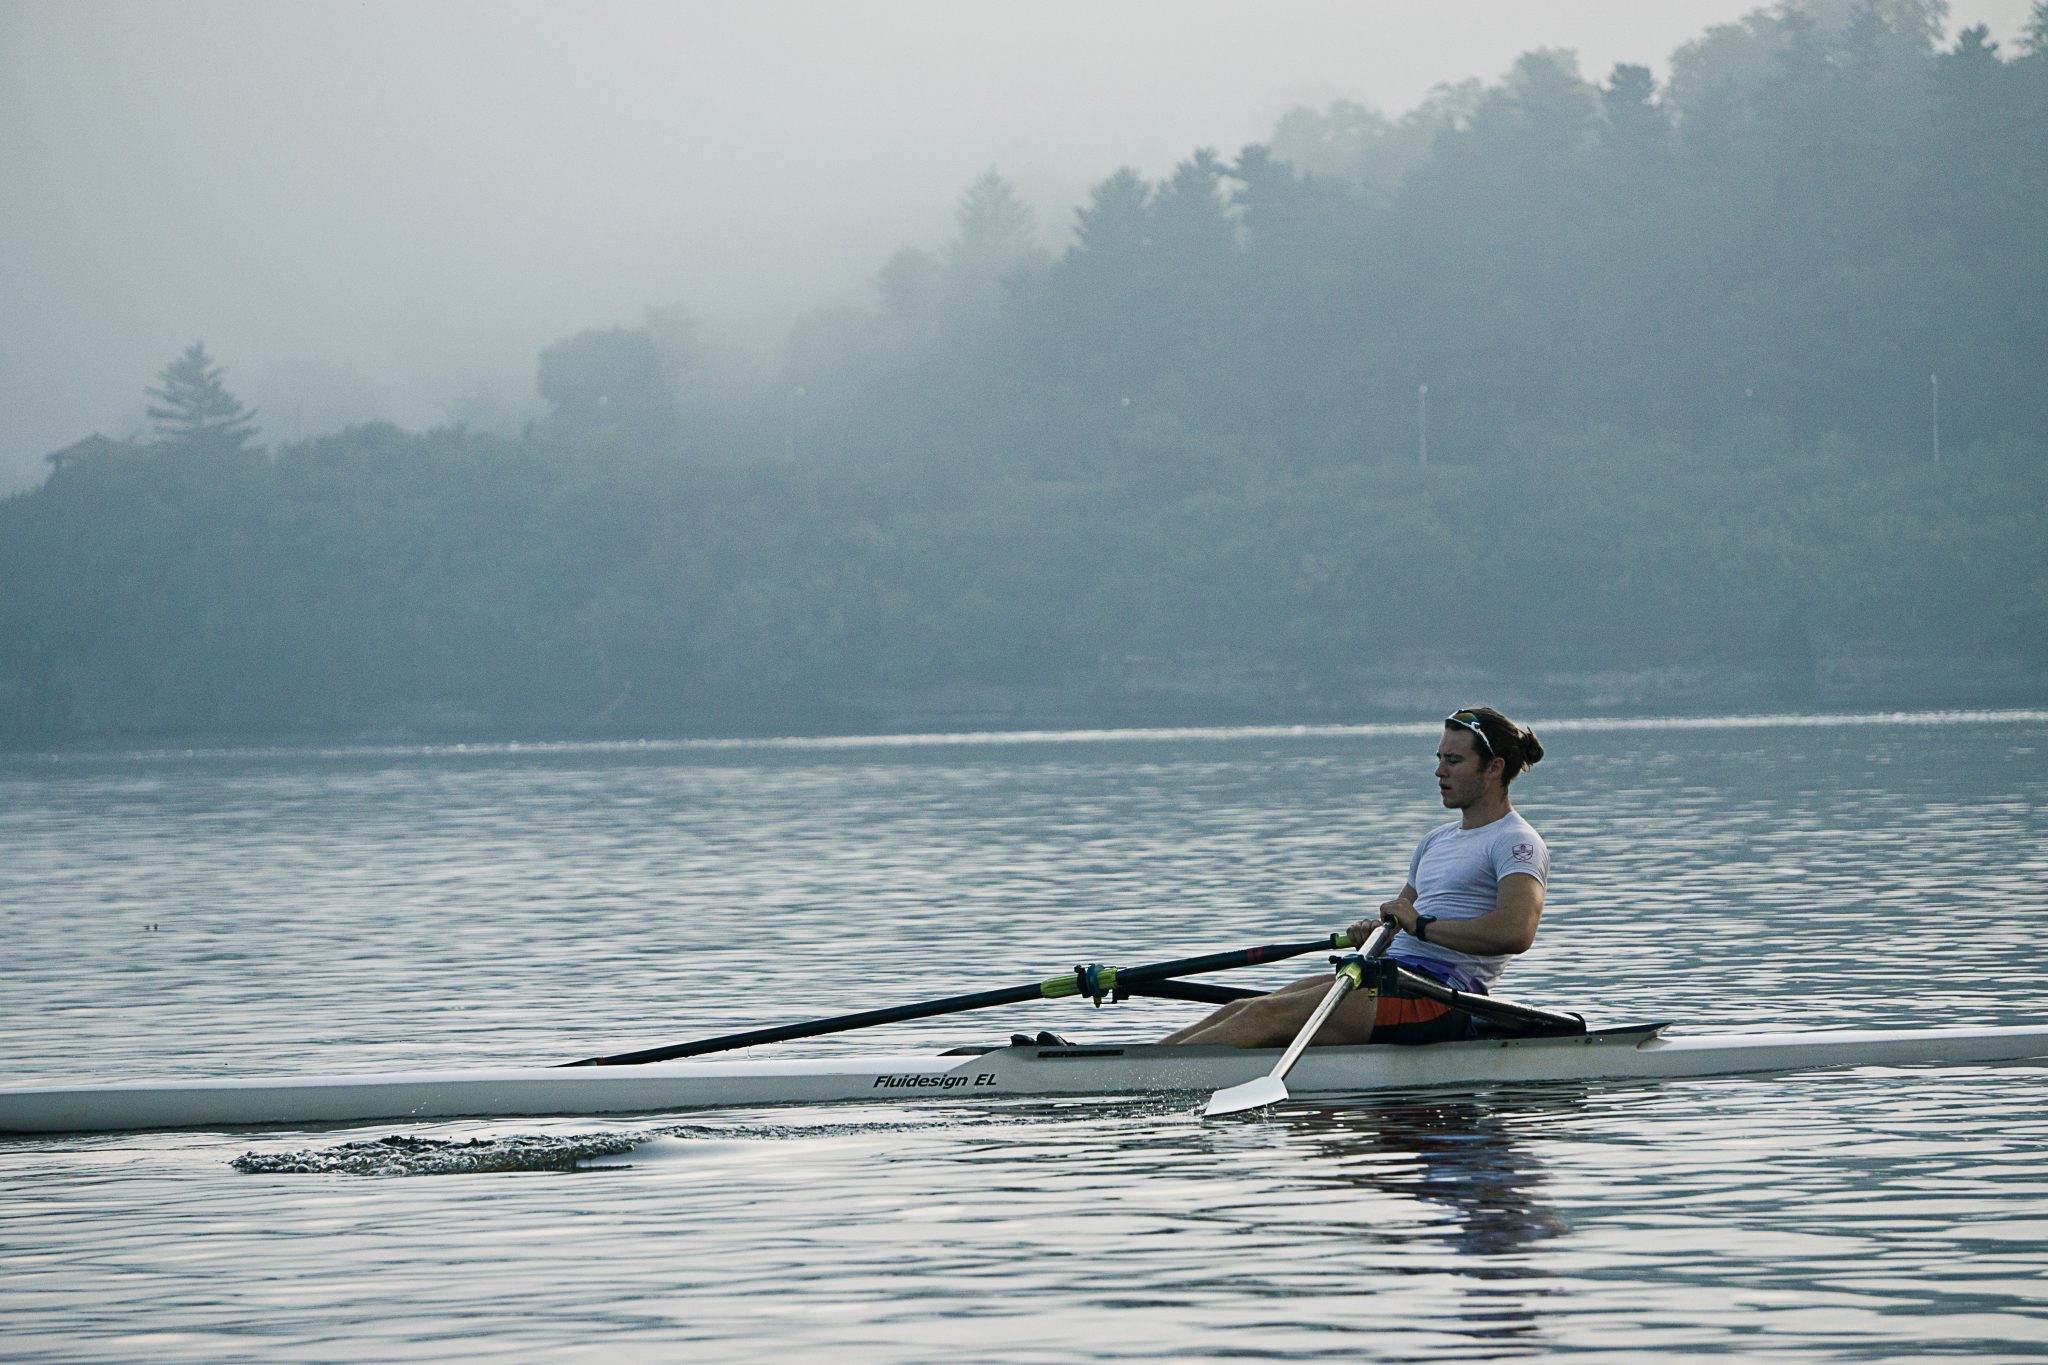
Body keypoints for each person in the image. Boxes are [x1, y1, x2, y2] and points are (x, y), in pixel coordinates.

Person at [1159, 707, 1547, 1048]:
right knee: (1248, 1007)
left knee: (1263, 1019)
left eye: (1454, 761)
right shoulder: (1436, 840)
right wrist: (1376, 931)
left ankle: (1142, 1084)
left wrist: (1422, 926)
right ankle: (1133, 1070)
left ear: (1494, 767)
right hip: (1388, 974)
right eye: (1439, 758)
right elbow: (1399, 919)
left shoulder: (1515, 842)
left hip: (1440, 995)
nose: (1439, 771)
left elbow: (1516, 933)